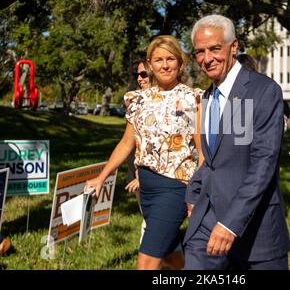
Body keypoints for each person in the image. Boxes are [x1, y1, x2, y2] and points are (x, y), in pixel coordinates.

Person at [85, 35, 203, 270]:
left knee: (146, 261)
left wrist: (197, 192)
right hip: (147, 189)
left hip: (176, 187)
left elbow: (202, 153)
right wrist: (101, 177)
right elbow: (126, 143)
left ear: (180, 63)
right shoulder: (137, 99)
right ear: (149, 64)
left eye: (171, 59)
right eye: (159, 60)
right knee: (169, 255)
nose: (165, 65)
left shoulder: (193, 98)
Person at [184, 14, 290, 270]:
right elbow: (216, 159)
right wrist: (193, 193)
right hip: (206, 223)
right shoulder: (209, 96)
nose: (206, 58)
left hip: (257, 234)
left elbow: (262, 165)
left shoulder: (262, 91)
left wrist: (230, 223)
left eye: (214, 49)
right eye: (199, 51)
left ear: (234, 47)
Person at [125, 61, 152, 245]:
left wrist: (141, 176)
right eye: (138, 75)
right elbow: (128, 142)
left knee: (150, 226)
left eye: (144, 74)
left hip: (150, 175)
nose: (139, 78)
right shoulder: (134, 100)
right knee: (149, 222)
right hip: (136, 172)